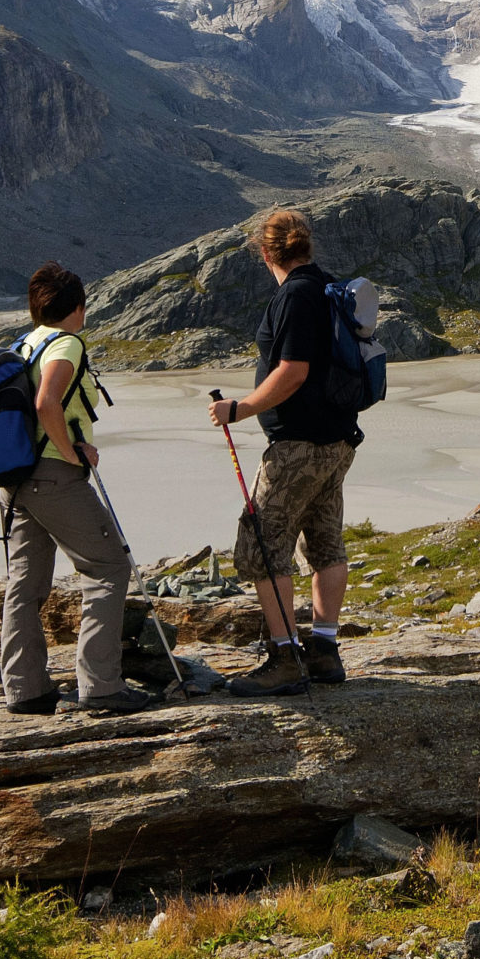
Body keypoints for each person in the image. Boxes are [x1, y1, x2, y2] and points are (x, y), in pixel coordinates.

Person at [206, 207, 360, 696]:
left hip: (297, 445)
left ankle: (283, 657)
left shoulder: (294, 295)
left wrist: (242, 408)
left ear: (265, 251)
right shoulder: (327, 286)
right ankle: (324, 650)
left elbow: (293, 369)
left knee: (262, 544)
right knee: (324, 541)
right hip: (337, 441)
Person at [0, 263, 153, 716]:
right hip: (53, 476)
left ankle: (24, 688)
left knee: (25, 582)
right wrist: (71, 452)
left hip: (17, 480)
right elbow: (48, 402)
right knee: (107, 567)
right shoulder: (65, 342)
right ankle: (101, 685)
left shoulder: (25, 343)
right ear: (79, 308)